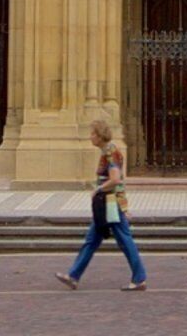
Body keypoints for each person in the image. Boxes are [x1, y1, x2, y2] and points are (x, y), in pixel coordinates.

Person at [60, 120, 145, 291]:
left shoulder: (110, 152)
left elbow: (115, 180)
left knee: (124, 239)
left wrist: (99, 189)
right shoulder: (108, 151)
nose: (90, 137)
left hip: (110, 204)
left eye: (92, 133)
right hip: (109, 204)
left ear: (99, 135)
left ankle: (139, 277)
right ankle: (73, 275)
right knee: (93, 240)